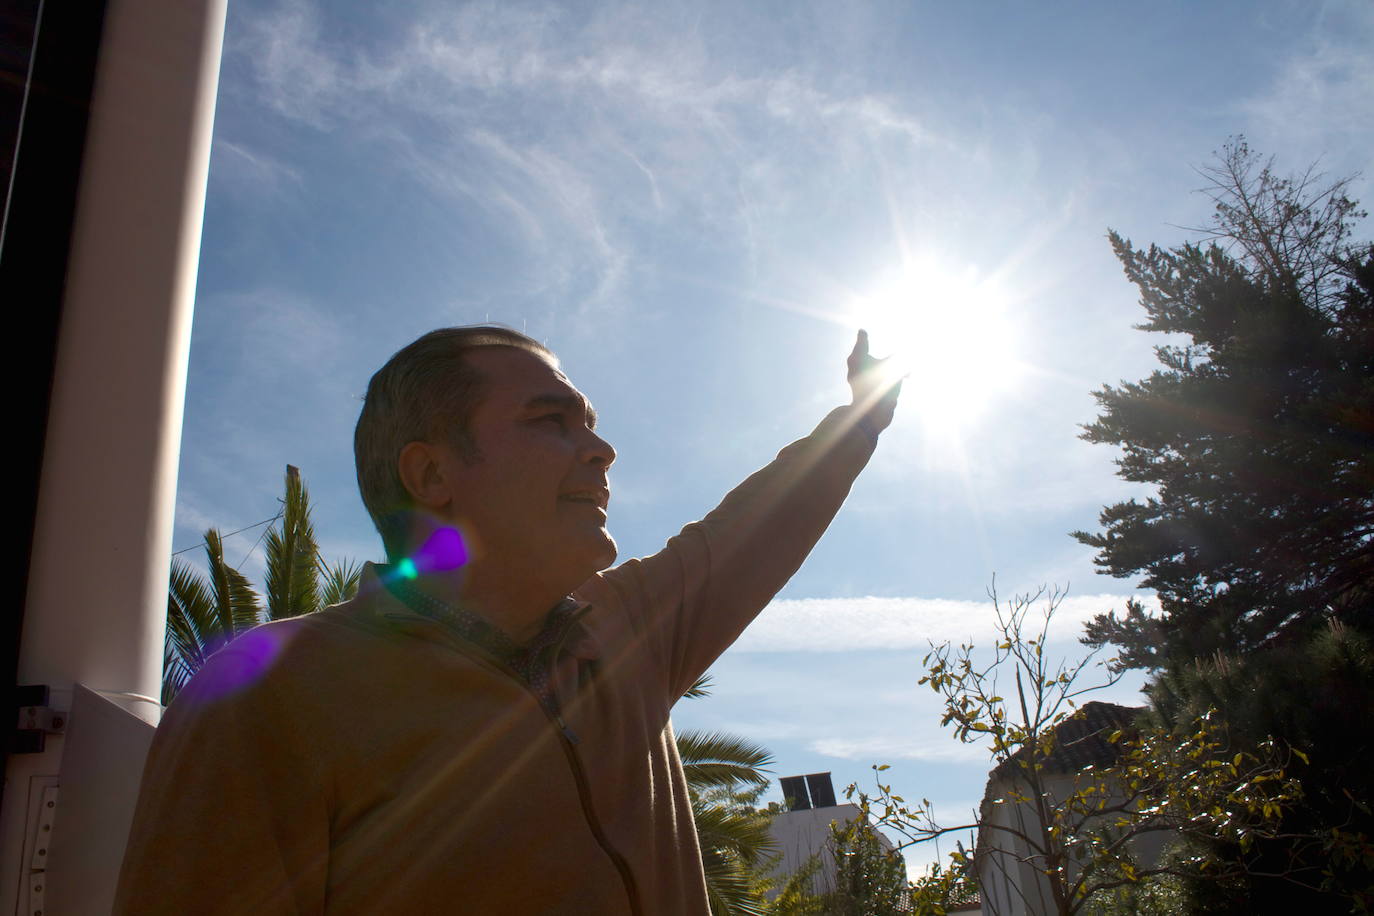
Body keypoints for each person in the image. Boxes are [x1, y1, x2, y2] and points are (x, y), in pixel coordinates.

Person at [115, 325, 900, 914]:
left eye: (589, 422)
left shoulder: (625, 633)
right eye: (552, 420)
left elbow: (754, 527)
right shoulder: (272, 696)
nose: (603, 451)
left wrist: (859, 421)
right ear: (429, 473)